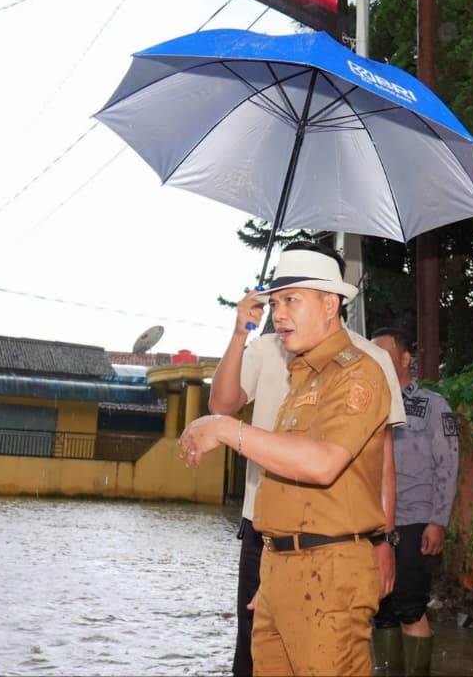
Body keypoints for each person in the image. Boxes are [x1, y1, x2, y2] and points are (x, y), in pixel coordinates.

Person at [180, 247, 392, 677]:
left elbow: (323, 464)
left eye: (292, 300)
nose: (279, 313)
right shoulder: (300, 374)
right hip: (279, 564)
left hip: (329, 571)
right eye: (275, 302)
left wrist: (227, 430)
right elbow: (280, 473)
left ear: (330, 304)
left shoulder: (359, 372)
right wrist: (275, 577)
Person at [368, 327, 458, 677]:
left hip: (414, 522)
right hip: (374, 524)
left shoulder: (433, 406)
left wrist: (438, 521)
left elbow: (448, 465)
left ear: (406, 360)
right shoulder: (368, 405)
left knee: (409, 606)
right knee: (381, 607)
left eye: (386, 356)